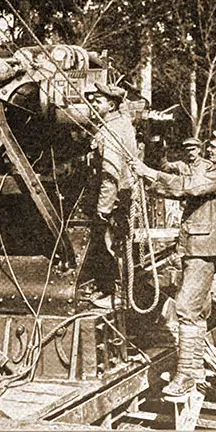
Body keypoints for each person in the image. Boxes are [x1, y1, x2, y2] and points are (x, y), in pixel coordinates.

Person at [133, 124, 216, 398]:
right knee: (197, 310)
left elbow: (192, 187)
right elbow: (184, 188)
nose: (209, 147)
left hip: (205, 246)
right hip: (199, 244)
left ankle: (187, 375)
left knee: (186, 308)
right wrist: (150, 179)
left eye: (214, 144)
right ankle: (195, 368)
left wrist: (150, 173)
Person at [86, 83, 137, 308]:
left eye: (98, 101)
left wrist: (103, 207)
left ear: (111, 104)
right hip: (121, 196)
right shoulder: (121, 122)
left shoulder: (112, 130)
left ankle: (119, 297)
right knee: (116, 245)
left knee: (112, 246)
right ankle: (110, 290)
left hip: (114, 199)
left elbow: (110, 174)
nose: (93, 104)